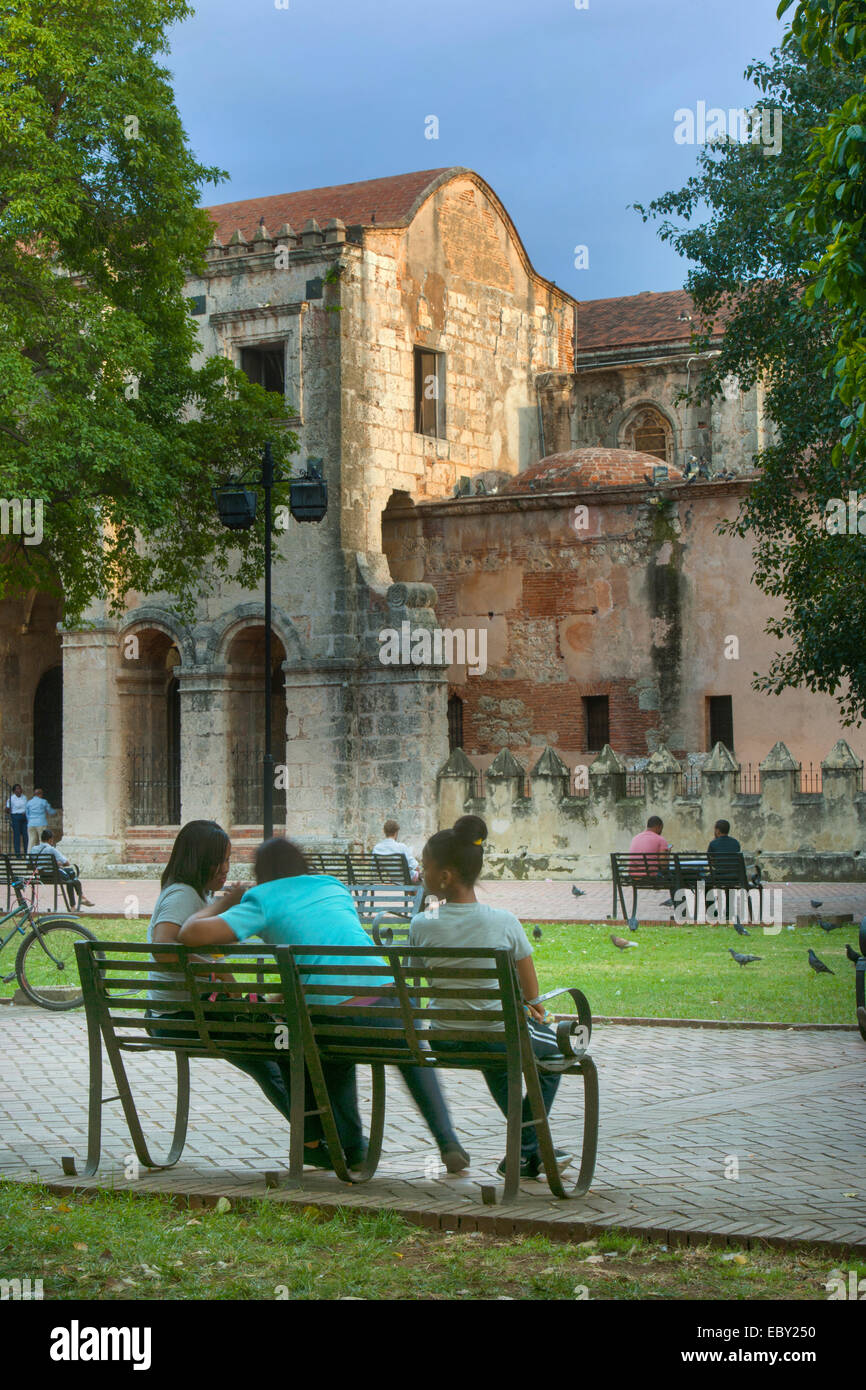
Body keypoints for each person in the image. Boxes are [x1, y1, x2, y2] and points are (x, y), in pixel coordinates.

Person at [178, 836, 470, 1174]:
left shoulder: (262, 899)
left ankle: (354, 1149)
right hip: (388, 1005)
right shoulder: (333, 887)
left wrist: (227, 901)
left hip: (332, 1021)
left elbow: (189, 934)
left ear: (262, 874)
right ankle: (447, 1140)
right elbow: (329, 946)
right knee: (410, 1044)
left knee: (326, 1049)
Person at [409, 814, 572, 1181]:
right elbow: (533, 996)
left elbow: (415, 980)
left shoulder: (422, 924)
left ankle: (533, 1153)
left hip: (445, 1038)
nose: (422, 875)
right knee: (558, 1049)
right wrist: (531, 1007)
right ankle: (528, 1147)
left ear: (445, 877)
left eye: (425, 868)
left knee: (499, 1056)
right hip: (498, 1037)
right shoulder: (504, 921)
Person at [144, 821, 323, 1155]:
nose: (226, 869)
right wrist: (217, 971)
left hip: (187, 1014)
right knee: (279, 1043)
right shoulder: (182, 894)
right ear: (199, 861)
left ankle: (316, 1137)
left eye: (228, 861)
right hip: (180, 1017)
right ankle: (317, 1138)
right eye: (220, 861)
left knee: (274, 1048)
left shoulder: (198, 896)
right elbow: (162, 947)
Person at [32, 829, 94, 908]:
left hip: (42, 877)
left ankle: (81, 899)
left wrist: (49, 864)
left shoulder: (34, 849)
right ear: (50, 839)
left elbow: (30, 864)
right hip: (54, 876)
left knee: (70, 873)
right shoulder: (51, 849)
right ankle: (76, 903)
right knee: (71, 877)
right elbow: (66, 863)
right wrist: (57, 864)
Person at [25, 787, 55, 852]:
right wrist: (54, 811)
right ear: (40, 794)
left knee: (31, 841)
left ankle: (29, 857)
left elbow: (27, 814)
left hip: (31, 824)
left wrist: (30, 820)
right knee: (42, 841)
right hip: (41, 823)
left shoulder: (29, 802)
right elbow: (50, 811)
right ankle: (42, 856)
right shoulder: (43, 801)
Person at [5, 784, 28, 856]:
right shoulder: (11, 798)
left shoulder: (24, 797)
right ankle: (18, 855)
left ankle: (26, 853)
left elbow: (26, 806)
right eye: (17, 789)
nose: (19, 790)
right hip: (16, 816)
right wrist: (8, 810)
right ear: (14, 791)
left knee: (25, 835)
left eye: (20, 788)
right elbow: (7, 809)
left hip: (24, 817)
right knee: (17, 836)